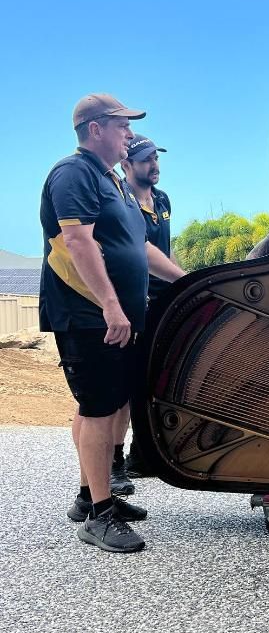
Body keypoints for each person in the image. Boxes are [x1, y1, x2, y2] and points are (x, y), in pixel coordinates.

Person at [40, 93, 185, 553]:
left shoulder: (113, 183)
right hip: (88, 314)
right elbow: (77, 241)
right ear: (95, 128)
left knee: (108, 404)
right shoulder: (74, 172)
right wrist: (110, 305)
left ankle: (90, 497)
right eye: (123, 125)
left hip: (114, 315)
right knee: (100, 408)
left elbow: (139, 248)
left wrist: (190, 281)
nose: (129, 133)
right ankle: (100, 516)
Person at [114, 134, 181, 479]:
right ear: (126, 165)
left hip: (165, 299)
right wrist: (183, 279)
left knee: (159, 377)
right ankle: (115, 462)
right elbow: (140, 250)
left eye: (156, 158)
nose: (154, 166)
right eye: (145, 160)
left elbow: (164, 250)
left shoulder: (163, 200)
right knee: (130, 382)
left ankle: (143, 455)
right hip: (135, 300)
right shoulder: (121, 201)